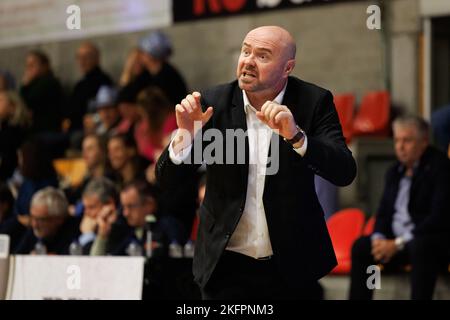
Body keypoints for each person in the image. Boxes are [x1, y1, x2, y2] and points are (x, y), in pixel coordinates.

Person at [156, 26, 356, 299]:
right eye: (246, 51)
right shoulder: (214, 103)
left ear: (287, 68)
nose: (248, 60)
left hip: (290, 264)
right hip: (225, 264)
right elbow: (166, 181)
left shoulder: (313, 102)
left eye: (263, 56)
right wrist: (184, 139)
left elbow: (344, 171)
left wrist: (296, 137)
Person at [349, 115, 450, 300]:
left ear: (424, 142)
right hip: (395, 244)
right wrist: (379, 239)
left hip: (426, 241)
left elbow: (438, 218)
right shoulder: (394, 171)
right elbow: (383, 213)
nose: (400, 147)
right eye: (396, 140)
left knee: (421, 247)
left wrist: (397, 243)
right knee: (363, 247)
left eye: (407, 141)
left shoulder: (440, 167)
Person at [90, 179, 186, 256]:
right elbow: (97, 266)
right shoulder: (122, 230)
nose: (125, 213)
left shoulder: (169, 227)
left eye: (130, 206)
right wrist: (102, 235)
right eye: (123, 207)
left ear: (149, 204)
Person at [128, 31, 188, 107]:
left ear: (150, 56)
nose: (139, 56)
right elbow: (128, 95)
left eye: (142, 52)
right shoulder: (146, 73)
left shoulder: (168, 75)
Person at [15, 187, 80, 255]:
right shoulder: (34, 231)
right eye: (32, 217)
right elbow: (18, 255)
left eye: (41, 220)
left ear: (59, 219)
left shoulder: (75, 232)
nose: (34, 224)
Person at [67, 42, 113, 133]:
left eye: (86, 57)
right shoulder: (80, 84)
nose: (82, 62)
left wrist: (96, 118)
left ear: (97, 59)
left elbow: (108, 109)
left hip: (92, 127)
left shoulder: (103, 81)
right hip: (76, 127)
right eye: (79, 58)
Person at [77, 177, 118, 254]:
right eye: (85, 207)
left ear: (109, 204)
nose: (86, 213)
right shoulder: (81, 226)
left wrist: (88, 236)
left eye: (91, 207)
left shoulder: (120, 230)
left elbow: (92, 263)